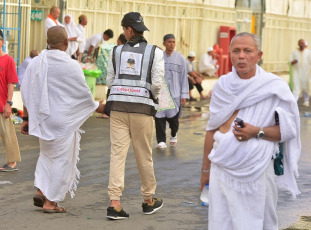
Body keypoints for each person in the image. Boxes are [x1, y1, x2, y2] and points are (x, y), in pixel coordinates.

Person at [200, 32, 301, 229]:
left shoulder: (274, 87)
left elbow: (289, 131)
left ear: (259, 55)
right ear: (229, 54)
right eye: (236, 51)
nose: (241, 56)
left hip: (258, 170)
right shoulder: (223, 86)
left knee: (256, 223)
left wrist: (256, 132)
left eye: (248, 51)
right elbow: (212, 129)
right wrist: (205, 171)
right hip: (222, 169)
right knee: (222, 223)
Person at [20, 26, 105, 213]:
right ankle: (51, 202)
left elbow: (27, 92)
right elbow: (83, 95)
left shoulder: (36, 62)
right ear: (67, 43)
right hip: (63, 122)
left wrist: (26, 118)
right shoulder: (71, 65)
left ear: (47, 41)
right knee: (61, 160)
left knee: (46, 155)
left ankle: (41, 190)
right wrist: (100, 107)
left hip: (43, 120)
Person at [105, 12, 164, 219]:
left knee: (117, 155)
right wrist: (152, 98)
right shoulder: (155, 52)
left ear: (129, 30)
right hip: (142, 109)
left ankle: (115, 203)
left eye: (124, 29)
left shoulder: (116, 51)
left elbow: (110, 81)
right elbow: (157, 84)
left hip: (118, 108)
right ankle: (148, 200)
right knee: (143, 155)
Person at [154, 34, 189, 149]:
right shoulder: (159, 57)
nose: (172, 44)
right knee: (159, 118)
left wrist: (184, 95)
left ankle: (174, 134)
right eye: (169, 42)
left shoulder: (180, 58)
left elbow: (184, 77)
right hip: (161, 93)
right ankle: (161, 141)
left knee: (173, 119)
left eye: (173, 42)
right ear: (164, 43)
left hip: (175, 94)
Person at [0, 29, 21, 172]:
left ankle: (12, 162)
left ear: (2, 42)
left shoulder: (8, 60)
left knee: (7, 134)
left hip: (2, 105)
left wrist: (9, 103)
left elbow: (11, 83)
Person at [289, 39, 311, 106]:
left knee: (306, 86)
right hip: (297, 73)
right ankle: (294, 101)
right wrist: (293, 62)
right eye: (301, 43)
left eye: (303, 43)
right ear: (298, 44)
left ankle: (306, 101)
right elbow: (290, 60)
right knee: (296, 86)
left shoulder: (308, 52)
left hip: (306, 73)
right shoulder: (295, 52)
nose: (302, 45)